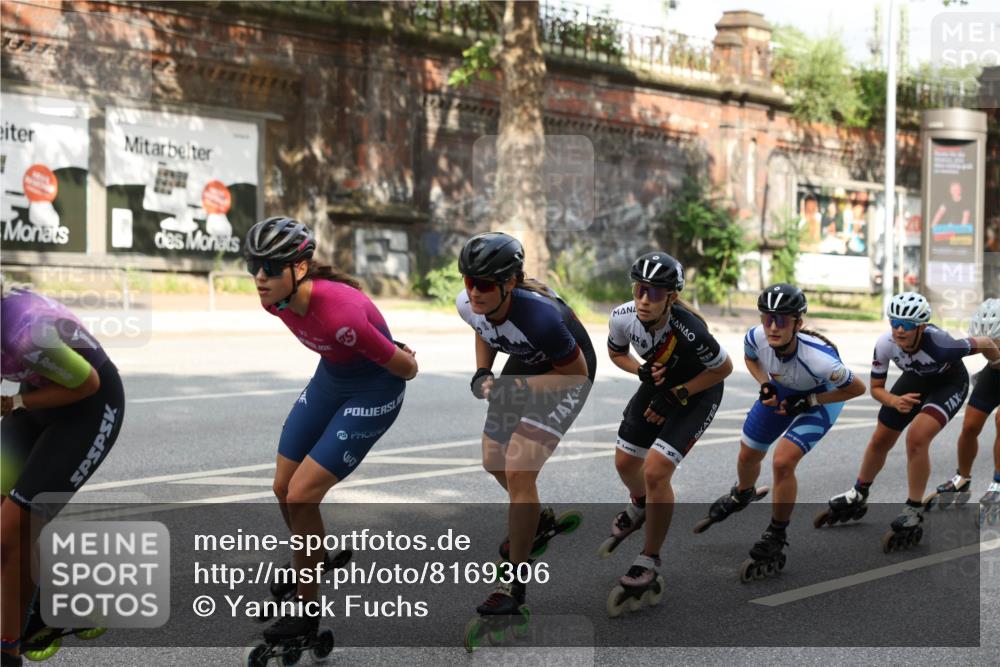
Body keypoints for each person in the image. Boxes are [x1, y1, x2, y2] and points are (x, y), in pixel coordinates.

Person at [245, 217, 417, 642]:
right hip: (331, 380)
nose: (259, 278)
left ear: (299, 269)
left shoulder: (342, 313)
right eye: (254, 266)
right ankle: (313, 557)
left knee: (303, 495)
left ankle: (307, 612)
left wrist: (398, 351)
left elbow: (408, 369)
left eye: (269, 268)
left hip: (375, 389)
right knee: (282, 487)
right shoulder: (275, 301)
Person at [456, 232, 596, 619]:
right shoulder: (468, 304)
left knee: (519, 471)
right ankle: (537, 520)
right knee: (492, 461)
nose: (474, 292)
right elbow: (483, 329)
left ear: (510, 283)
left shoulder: (541, 317)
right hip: (525, 364)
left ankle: (513, 587)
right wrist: (483, 370)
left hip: (567, 372)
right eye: (468, 281)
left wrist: (514, 385)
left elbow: (575, 377)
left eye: (484, 284)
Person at [696, 284, 865, 578]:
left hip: (821, 397)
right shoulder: (756, 337)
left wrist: (811, 400)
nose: (773, 327)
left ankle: (776, 533)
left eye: (783, 320)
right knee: (748, 453)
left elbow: (856, 388)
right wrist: (766, 384)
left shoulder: (820, 360)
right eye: (767, 318)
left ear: (799, 323)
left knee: (783, 461)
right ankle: (742, 493)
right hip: (784, 389)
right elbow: (750, 358)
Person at [1, 282, 125, 666]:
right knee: (12, 533)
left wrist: (16, 402)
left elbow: (89, 383)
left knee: (7, 532)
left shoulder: (19, 332)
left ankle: (10, 650)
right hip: (41, 394)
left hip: (90, 406)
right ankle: (38, 609)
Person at [819, 292, 1000, 549]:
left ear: (922, 327)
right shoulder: (885, 343)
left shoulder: (941, 343)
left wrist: (996, 365)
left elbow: (985, 342)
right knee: (881, 437)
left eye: (907, 325)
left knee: (916, 438)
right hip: (916, 379)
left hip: (949, 383)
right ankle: (859, 492)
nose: (899, 330)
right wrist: (893, 401)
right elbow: (876, 388)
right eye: (894, 323)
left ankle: (913, 510)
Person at [603, 252, 732, 607]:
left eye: (656, 293)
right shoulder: (622, 317)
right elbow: (616, 353)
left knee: (657, 470)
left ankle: (649, 558)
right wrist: (639, 371)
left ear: (671, 298)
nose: (645, 299)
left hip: (699, 390)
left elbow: (724, 369)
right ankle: (643, 504)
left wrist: (678, 394)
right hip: (660, 382)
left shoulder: (690, 328)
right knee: (625, 462)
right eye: (640, 289)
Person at [928, 298, 1000, 524]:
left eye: (998, 342)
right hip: (995, 374)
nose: (992, 347)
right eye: (989, 343)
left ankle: (997, 487)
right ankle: (962, 478)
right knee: (970, 426)